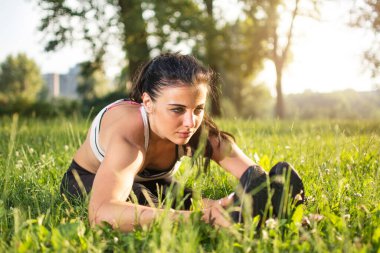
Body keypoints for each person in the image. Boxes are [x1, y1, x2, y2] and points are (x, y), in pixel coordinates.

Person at [60, 53, 305, 232]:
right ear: (148, 103)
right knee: (142, 199)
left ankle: (247, 213)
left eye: (198, 109)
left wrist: (267, 194)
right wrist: (201, 218)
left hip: (156, 185)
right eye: (177, 109)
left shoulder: (195, 127)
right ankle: (224, 213)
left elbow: (253, 176)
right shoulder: (128, 138)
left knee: (173, 196)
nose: (191, 122)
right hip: (87, 180)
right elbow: (101, 214)